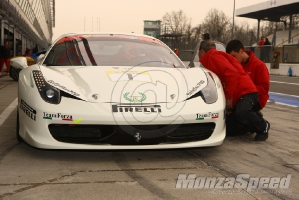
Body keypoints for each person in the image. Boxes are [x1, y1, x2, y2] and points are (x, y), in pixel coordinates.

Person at [198, 38, 270, 141]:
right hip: (239, 96)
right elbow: (223, 83)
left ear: (202, 51)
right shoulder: (216, 58)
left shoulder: (213, 57)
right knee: (227, 128)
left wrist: (229, 99)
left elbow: (232, 74)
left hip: (246, 94)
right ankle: (251, 124)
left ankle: (263, 126)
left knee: (242, 112)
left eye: (198, 53)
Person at [226, 39, 270, 119]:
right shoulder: (234, 66)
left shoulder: (259, 65)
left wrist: (246, 91)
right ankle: (253, 118)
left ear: (241, 51)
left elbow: (264, 88)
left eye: (234, 56)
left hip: (257, 99)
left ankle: (259, 122)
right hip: (240, 98)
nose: (232, 60)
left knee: (240, 112)